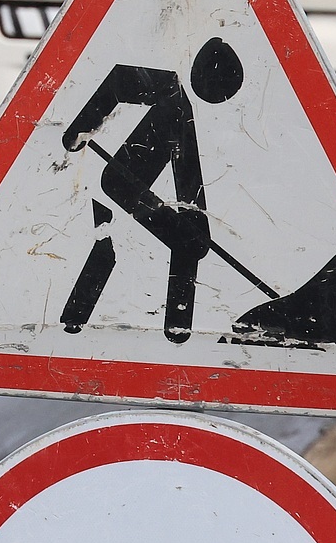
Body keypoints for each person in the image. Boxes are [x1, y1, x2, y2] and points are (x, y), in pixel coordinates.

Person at [59, 37, 244, 343]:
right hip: (120, 183)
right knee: (112, 245)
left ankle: (177, 325)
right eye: (221, 92)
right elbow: (119, 79)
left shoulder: (188, 111)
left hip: (132, 189)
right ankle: (79, 319)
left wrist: (192, 212)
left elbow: (187, 169)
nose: (222, 100)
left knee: (191, 239)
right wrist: (78, 130)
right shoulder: (171, 89)